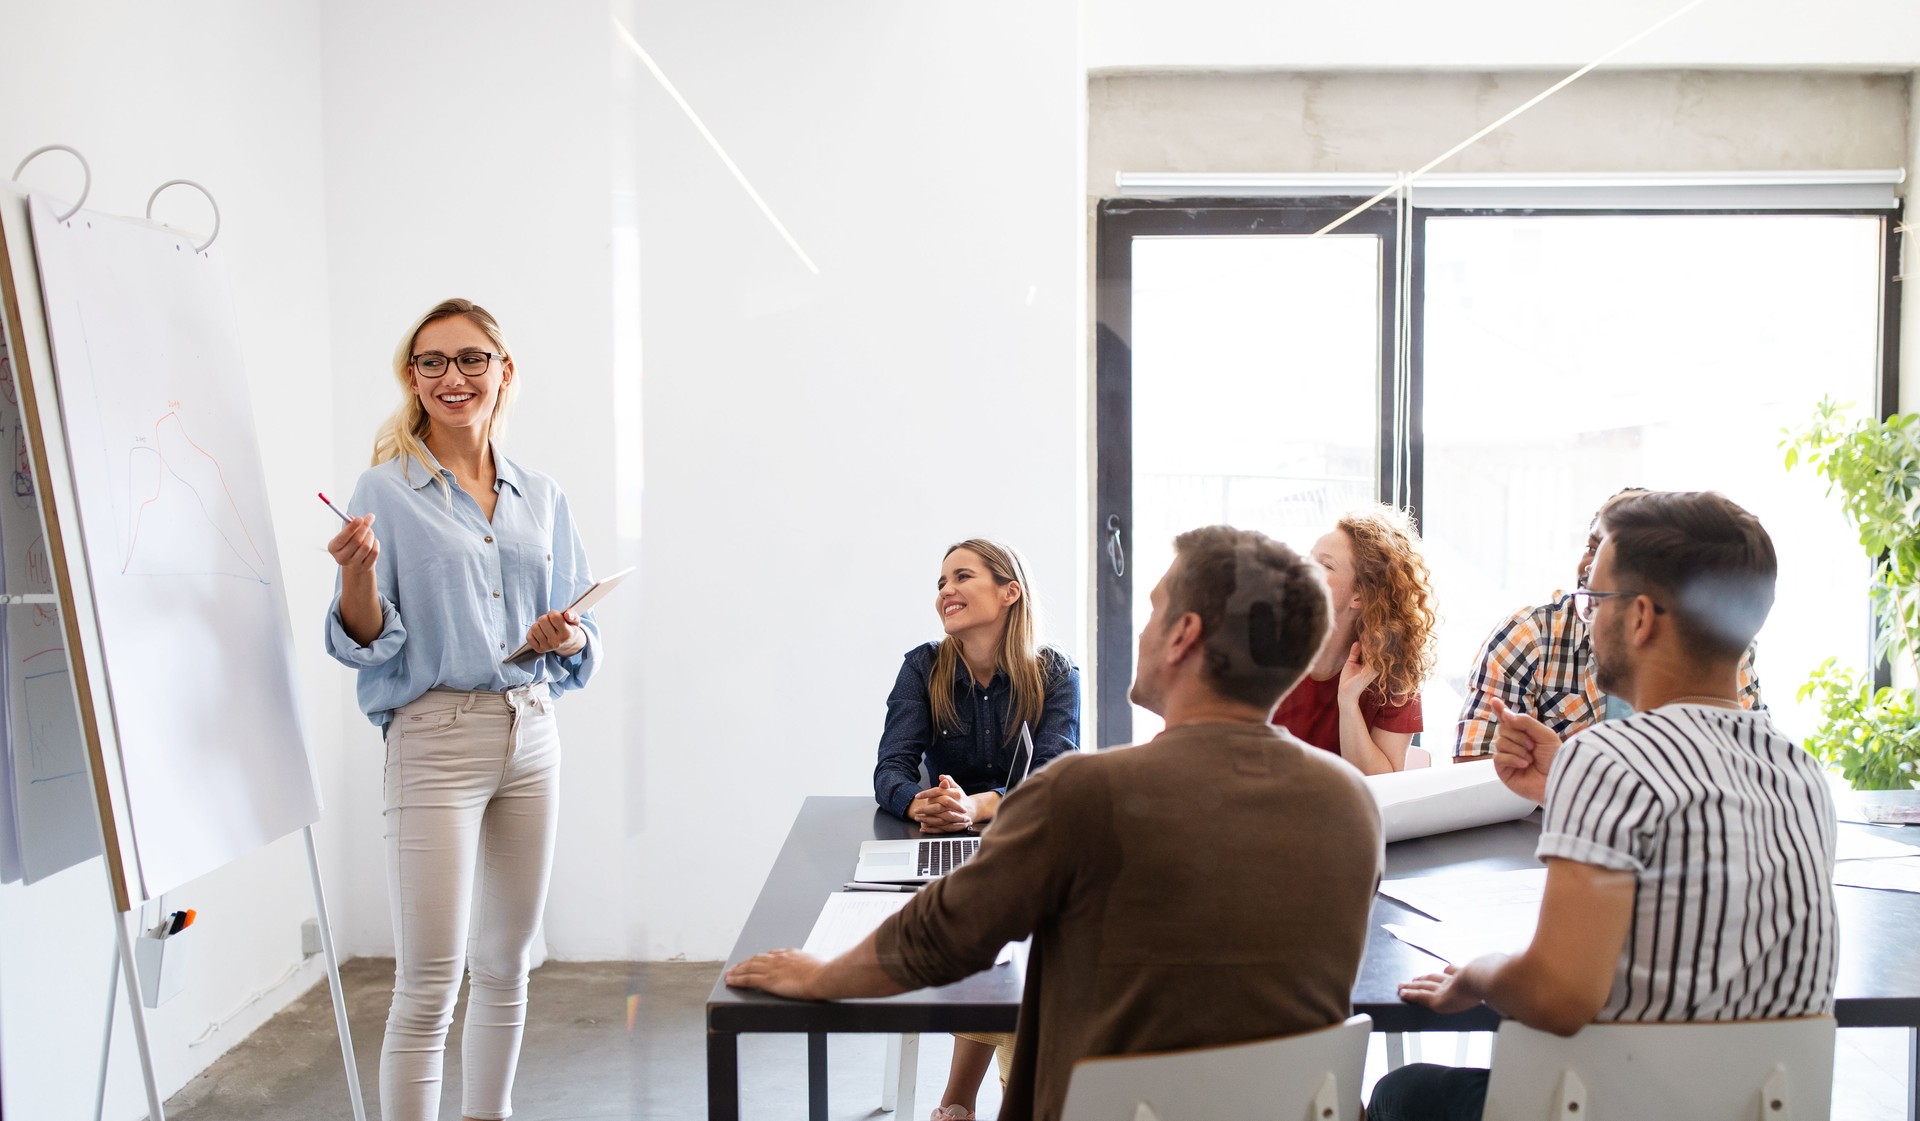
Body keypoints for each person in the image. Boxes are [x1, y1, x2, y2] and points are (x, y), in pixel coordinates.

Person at [732, 526, 1383, 1121]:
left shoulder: (1084, 793)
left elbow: (942, 935)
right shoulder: (1352, 803)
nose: (1142, 628)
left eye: (1153, 609)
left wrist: (819, 974)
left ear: (1183, 635)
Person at [1371, 491, 1836, 1121]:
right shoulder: (1801, 774)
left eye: (1595, 600)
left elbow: (1559, 996)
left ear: (1641, 617)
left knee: (1402, 1094)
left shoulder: (1611, 758)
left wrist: (1478, 973)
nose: (1585, 618)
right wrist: (1563, 783)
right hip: (1753, 1105)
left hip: (1612, 1105)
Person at [324, 298, 600, 1121]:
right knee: (428, 982)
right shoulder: (384, 488)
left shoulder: (540, 493)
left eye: (471, 358)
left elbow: (577, 618)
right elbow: (369, 638)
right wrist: (354, 575)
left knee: (509, 961)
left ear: (502, 372)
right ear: (413, 378)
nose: (453, 376)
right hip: (435, 738)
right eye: (433, 361)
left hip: (533, 730)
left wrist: (565, 633)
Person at [871, 538, 1080, 1119]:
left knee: (1023, 936)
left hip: (1031, 851)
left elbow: (1056, 778)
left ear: (1009, 592)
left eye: (962, 577)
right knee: (1010, 939)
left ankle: (958, 1103)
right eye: (940, 583)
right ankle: (1005, 1105)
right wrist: (919, 803)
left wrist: (983, 805)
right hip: (948, 852)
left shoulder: (1057, 673)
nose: (946, 592)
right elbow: (890, 767)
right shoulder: (922, 667)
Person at [1453, 488, 1762, 762]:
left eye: (1609, 554)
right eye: (1591, 547)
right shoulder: (1529, 635)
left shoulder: (1711, 645)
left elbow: (1744, 755)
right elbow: (1472, 771)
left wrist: (1567, 774)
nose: (1591, 565)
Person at [1271, 505, 1438, 774]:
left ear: (1360, 596)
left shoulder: (1391, 673)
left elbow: (1382, 788)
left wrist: (1348, 703)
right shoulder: (1260, 648)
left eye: (1324, 564)